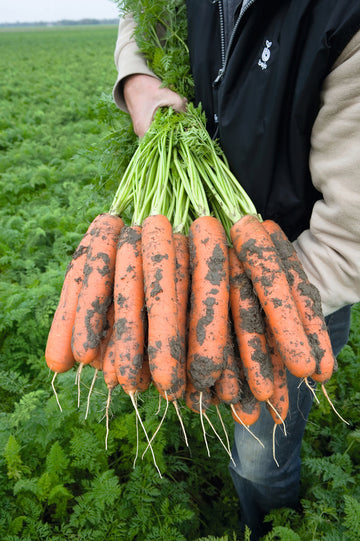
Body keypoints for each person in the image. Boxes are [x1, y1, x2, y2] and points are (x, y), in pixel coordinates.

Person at [112, 2, 360, 538]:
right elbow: (141, 13)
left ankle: (272, 528)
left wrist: (239, 317)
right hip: (193, 256)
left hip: (298, 275)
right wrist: (136, 77)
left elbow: (351, 231)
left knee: (258, 460)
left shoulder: (346, 19)